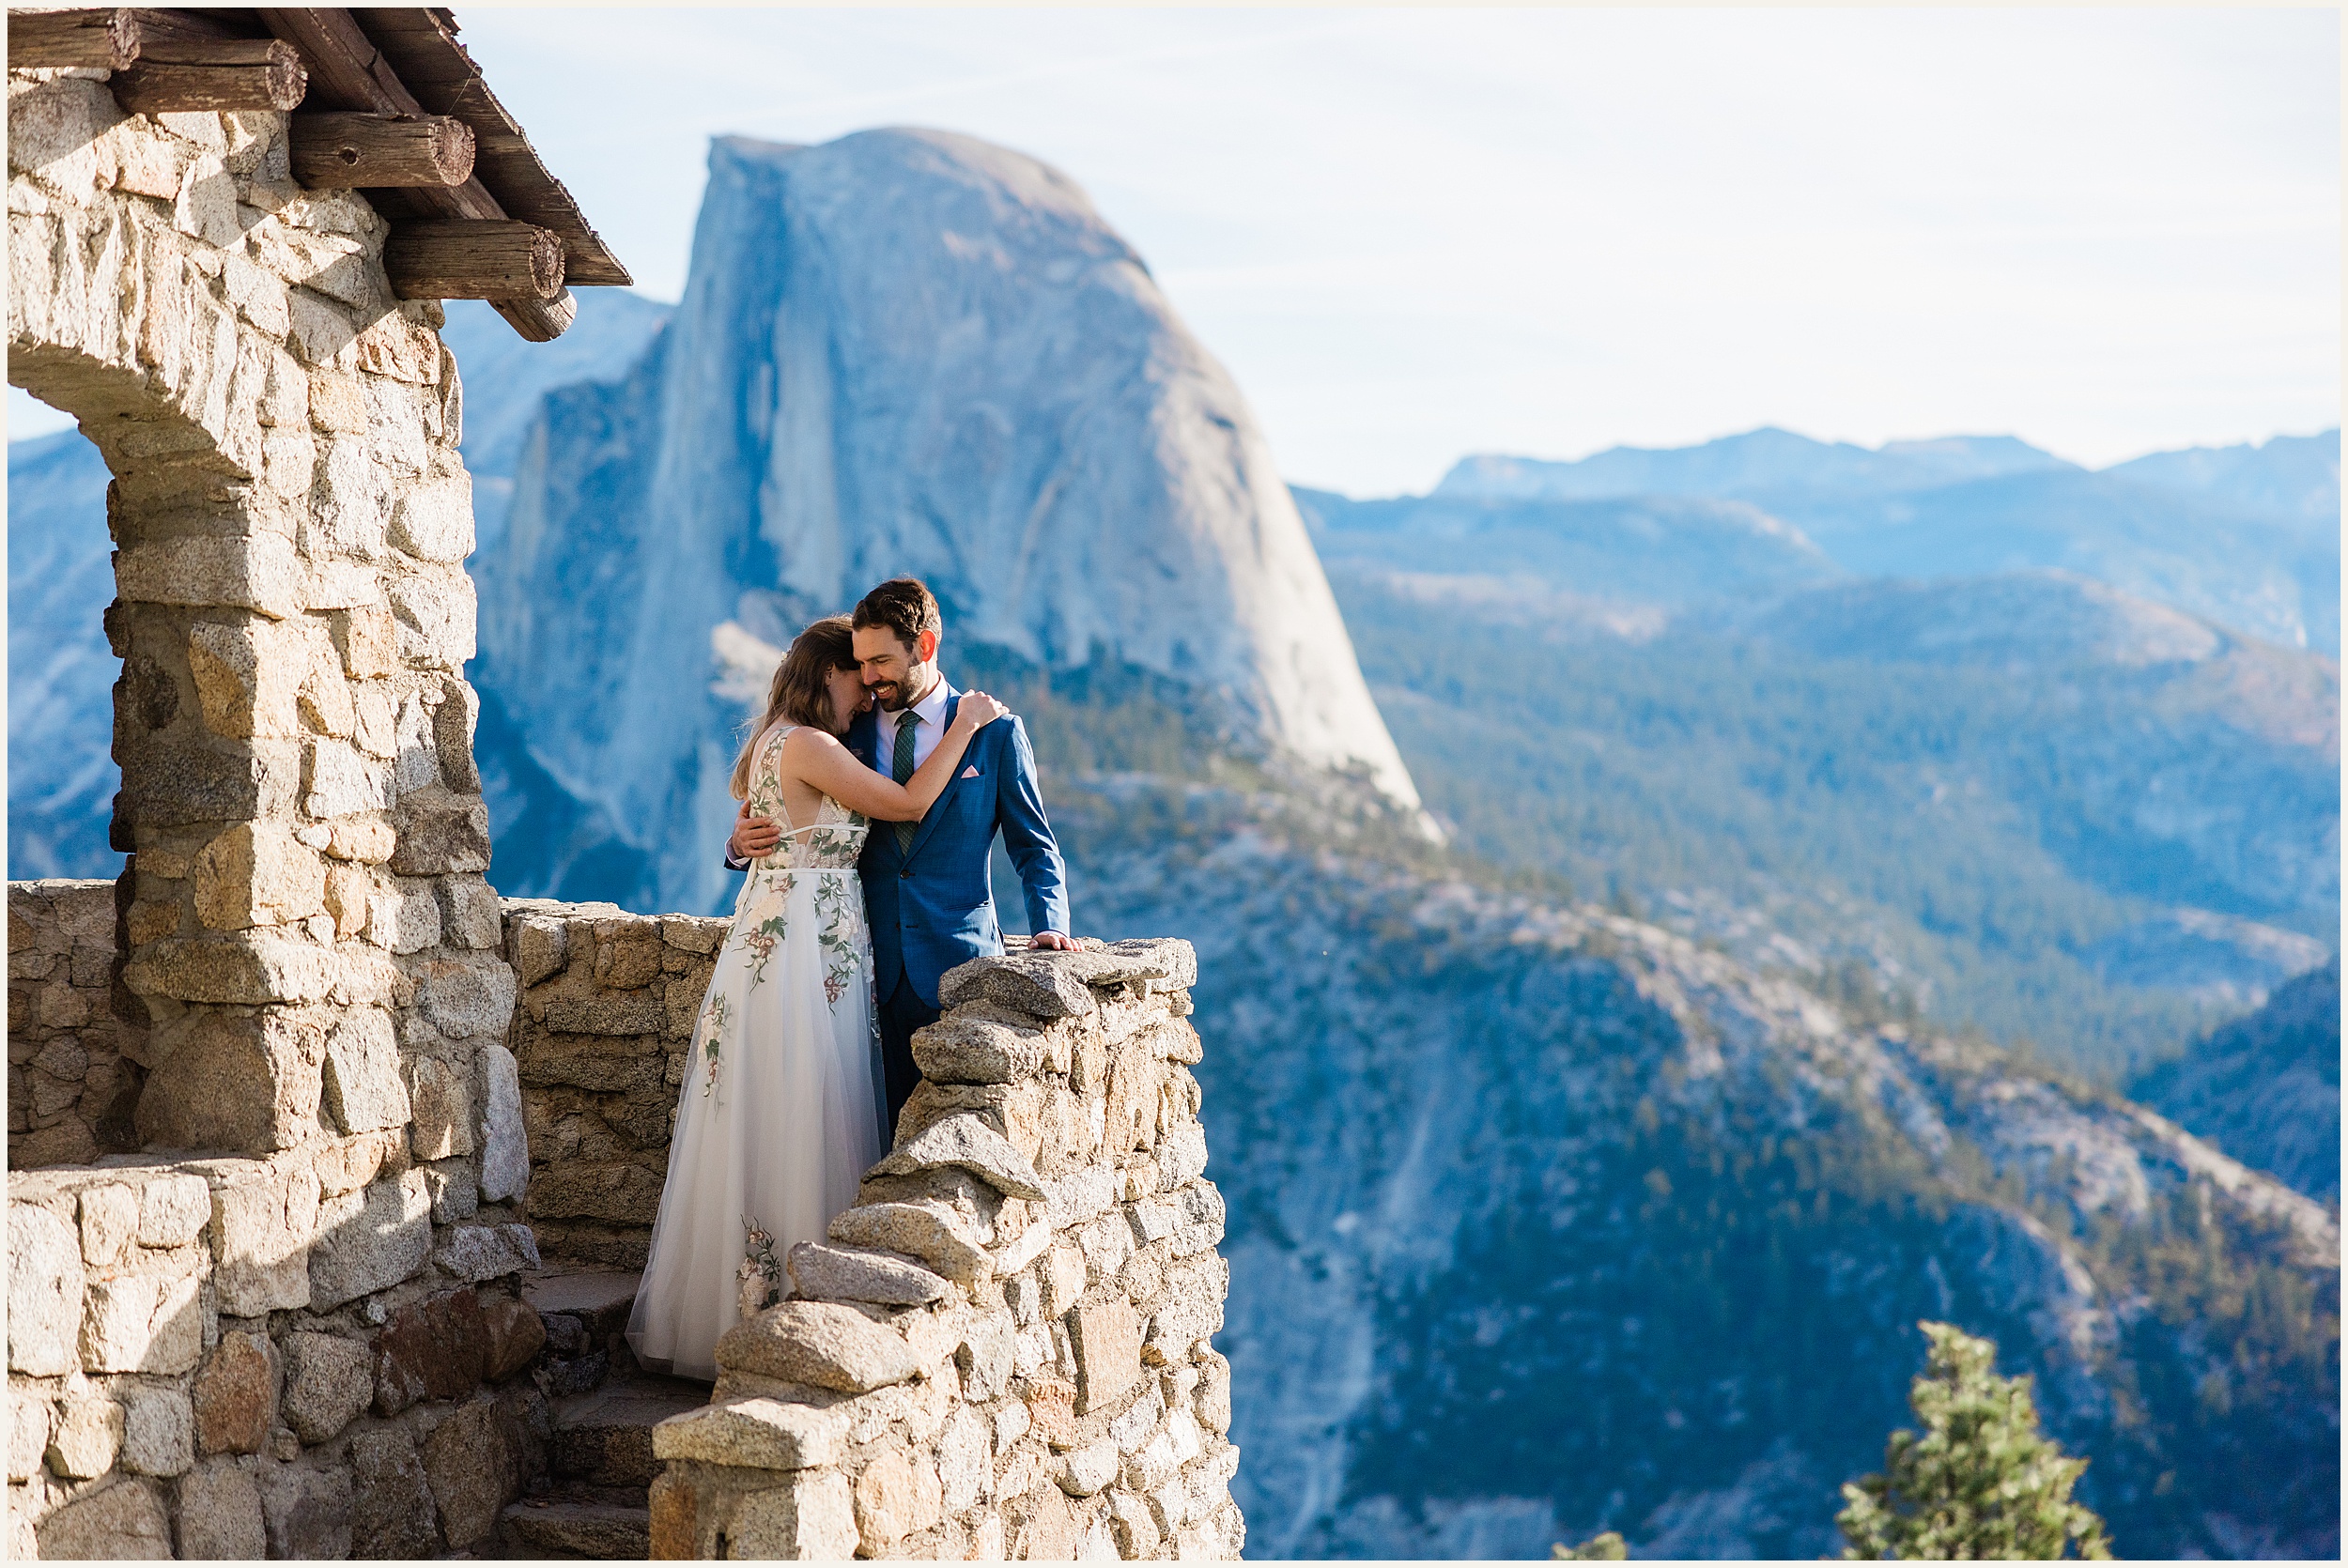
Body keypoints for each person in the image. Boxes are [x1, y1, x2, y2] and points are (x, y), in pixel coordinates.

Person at [626, 614, 1010, 1379]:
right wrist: (965, 725)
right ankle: (790, 1312)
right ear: (825, 673)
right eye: (855, 680)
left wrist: (741, 842)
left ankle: (758, 1305)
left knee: (780, 1104)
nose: (868, 698)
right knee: (807, 1102)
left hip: (799, 938)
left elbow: (770, 828)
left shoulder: (777, 741)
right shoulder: (807, 743)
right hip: (801, 949)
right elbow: (904, 806)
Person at [727, 577, 1074, 1136]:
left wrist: (1050, 925)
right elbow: (777, 806)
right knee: (862, 1140)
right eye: (861, 663)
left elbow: (1034, 846)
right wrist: (737, 844)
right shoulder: (844, 728)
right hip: (863, 973)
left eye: (882, 661)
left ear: (926, 648)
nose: (869, 678)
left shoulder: (995, 733)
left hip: (962, 968)